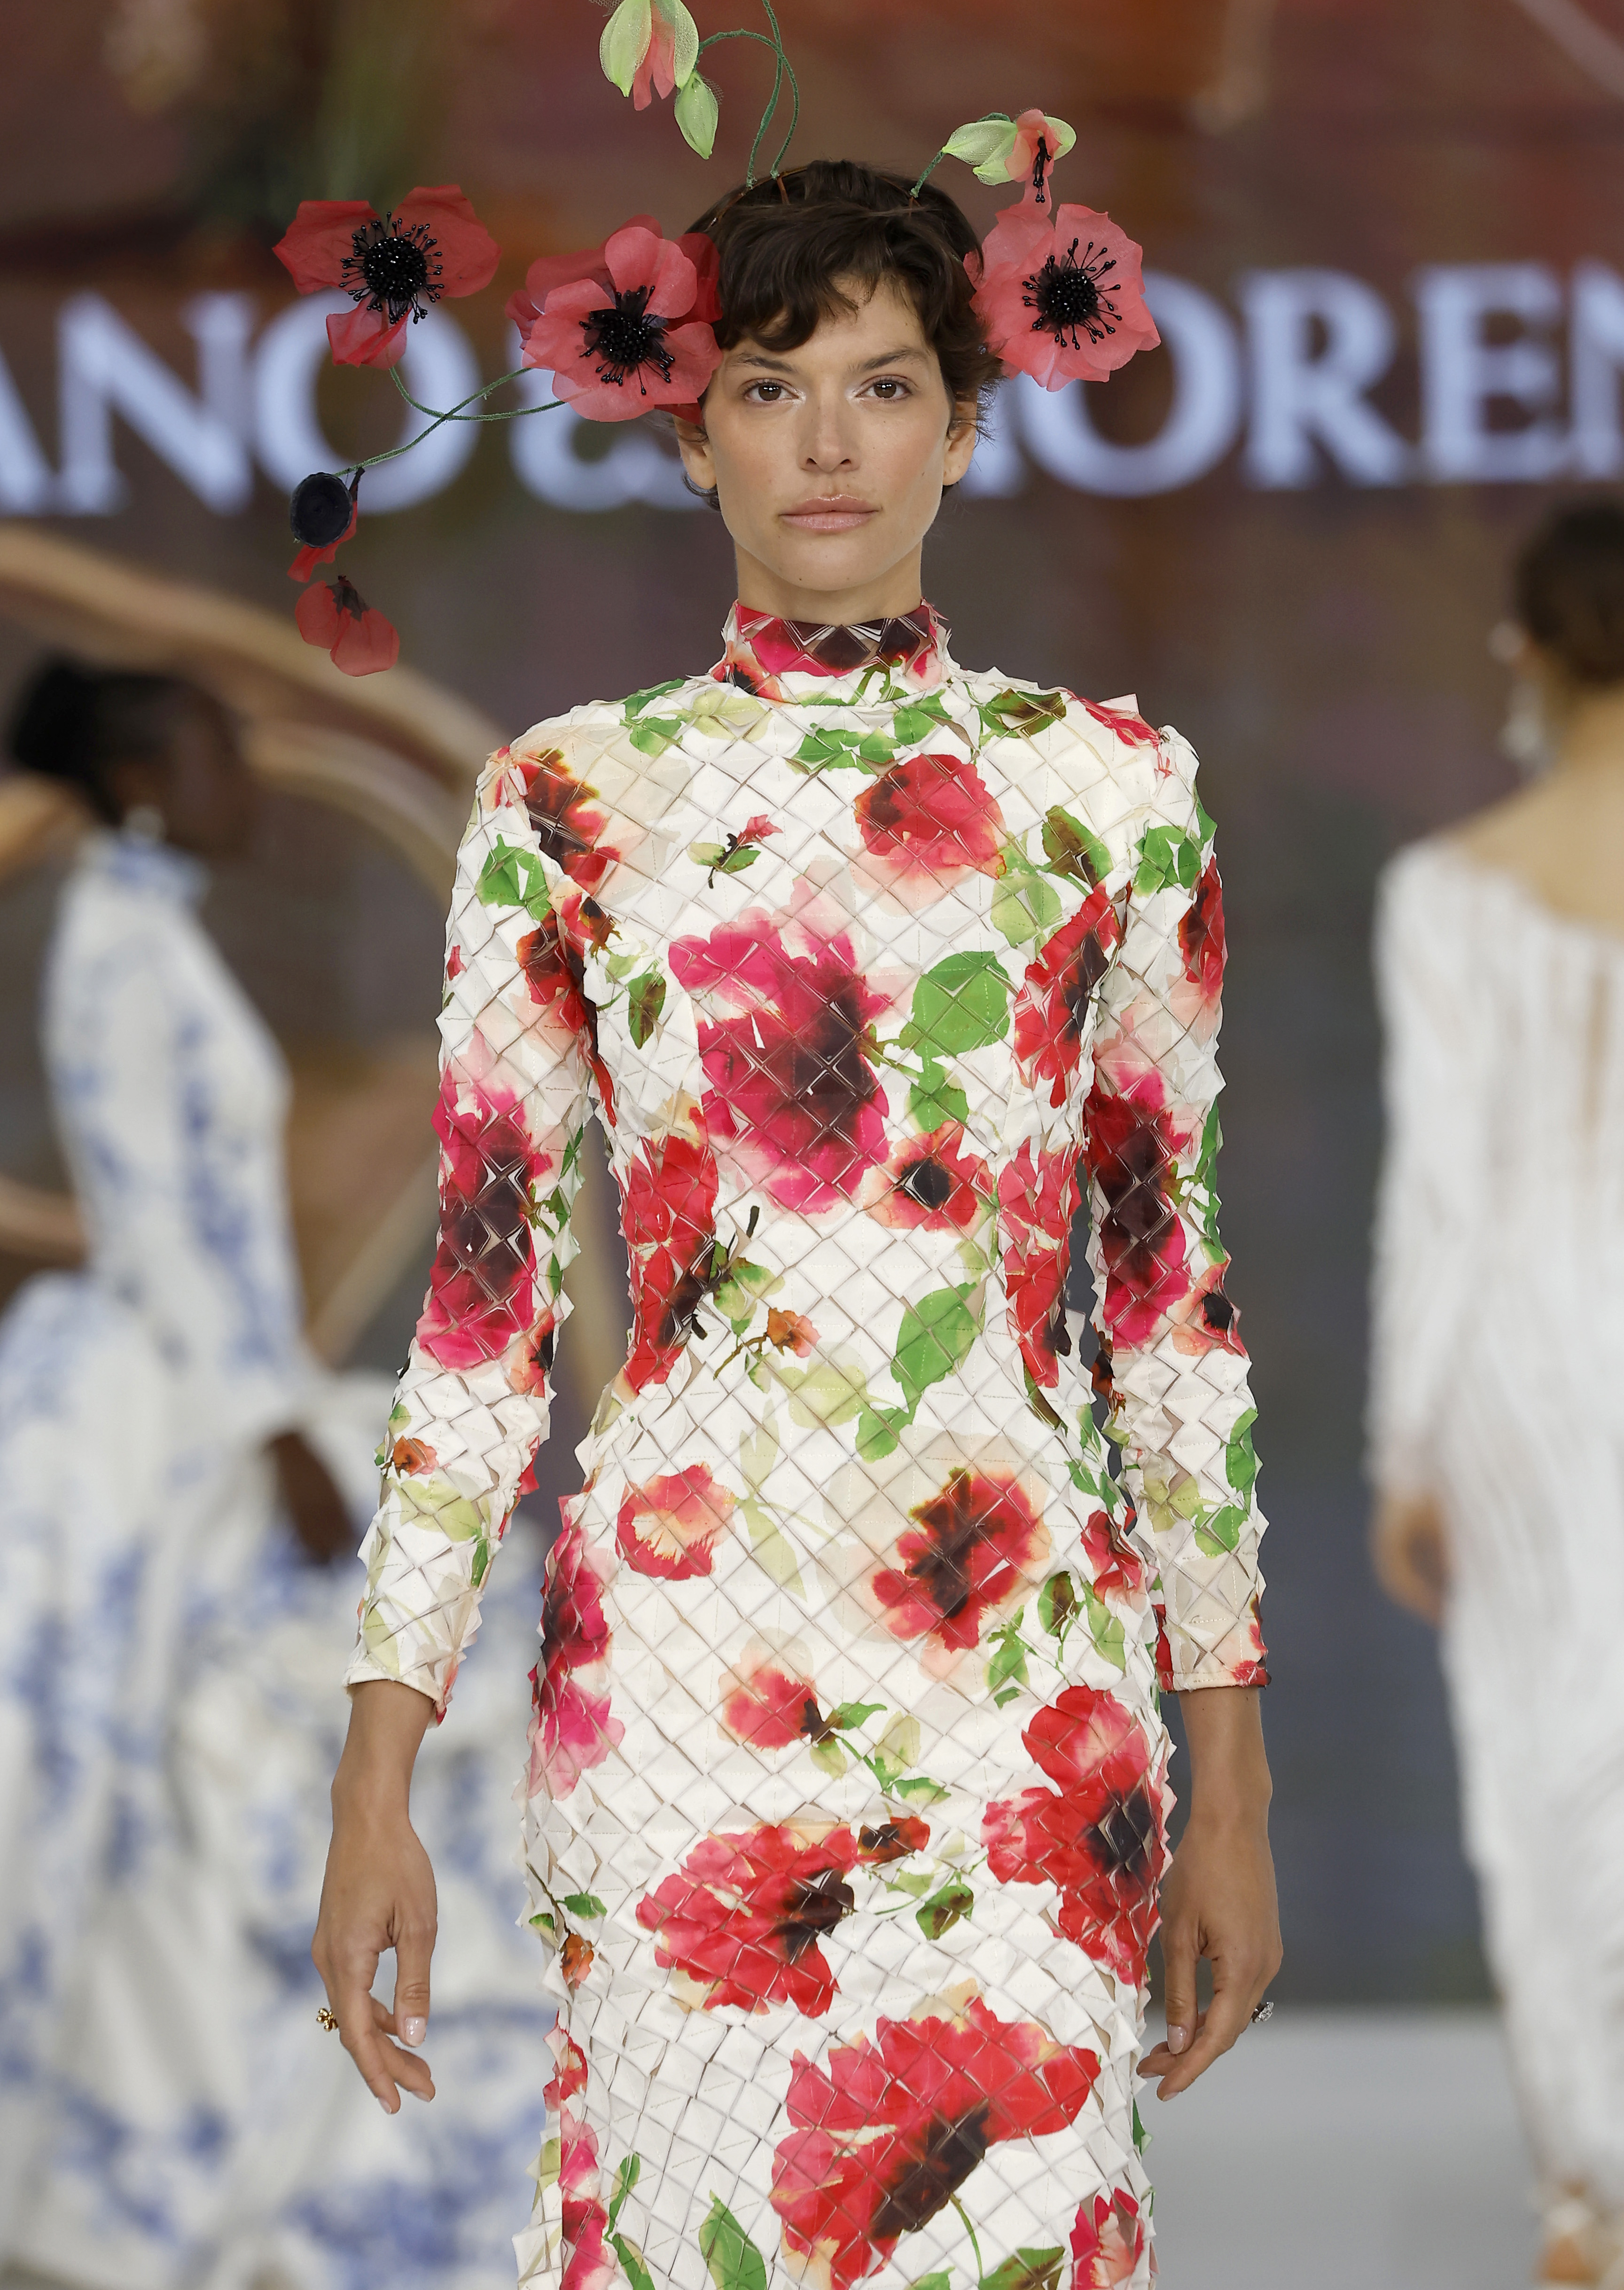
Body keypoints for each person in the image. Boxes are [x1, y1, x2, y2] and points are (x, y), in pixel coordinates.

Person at [313, 158, 1280, 2290]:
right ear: (692, 436)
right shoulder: (570, 798)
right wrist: (380, 1767)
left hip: (1025, 1679)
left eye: (884, 384)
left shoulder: (1113, 791)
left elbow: (1168, 1306)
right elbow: (480, 1317)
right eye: (770, 386)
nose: (828, 441)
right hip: (684, 1671)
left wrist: (1237, 1783)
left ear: (966, 424)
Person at [0, 659, 551, 2290]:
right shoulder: (119, 946)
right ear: (141, 778)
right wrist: (267, 1432)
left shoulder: (151, 933)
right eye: (212, 752)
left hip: (224, 1380)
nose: (244, 780)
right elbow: (161, 1221)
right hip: (173, 1402)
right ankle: (193, 2167)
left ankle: (315, 2161)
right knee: (204, 1747)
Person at [1370, 501, 1624, 2288]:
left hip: (1531, 1354)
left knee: (1552, 1752)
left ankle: (1591, 2182)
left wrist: (1405, 1445)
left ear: (1529, 651)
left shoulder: (1453, 888)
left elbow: (1443, 1195)